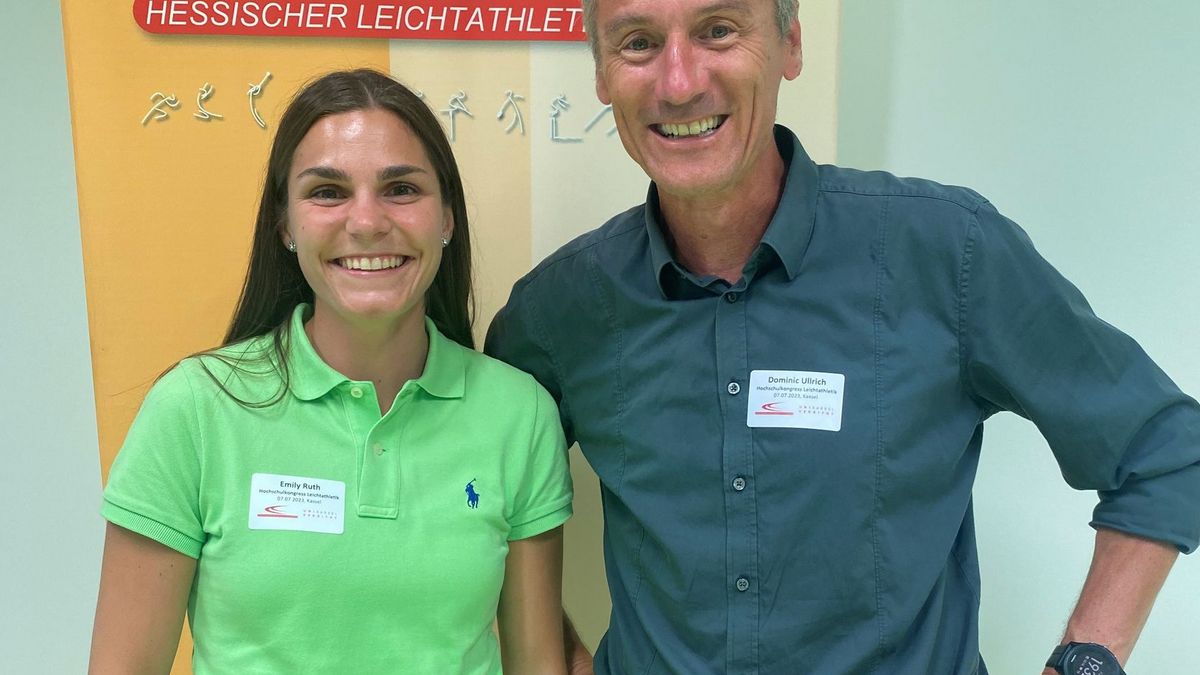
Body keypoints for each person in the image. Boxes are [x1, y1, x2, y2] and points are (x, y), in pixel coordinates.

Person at [485, 1, 1200, 674]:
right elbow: (476, 495)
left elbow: (1166, 451)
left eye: (719, 30)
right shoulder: (559, 310)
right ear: (602, 74)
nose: (679, 82)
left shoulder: (945, 253)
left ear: (791, 45)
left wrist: (1086, 660)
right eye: (638, 43)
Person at [90, 69, 573, 675]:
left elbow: (537, 665)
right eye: (327, 192)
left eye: (401, 189)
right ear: (285, 225)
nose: (366, 222)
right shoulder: (194, 409)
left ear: (447, 218)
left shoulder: (520, 413)